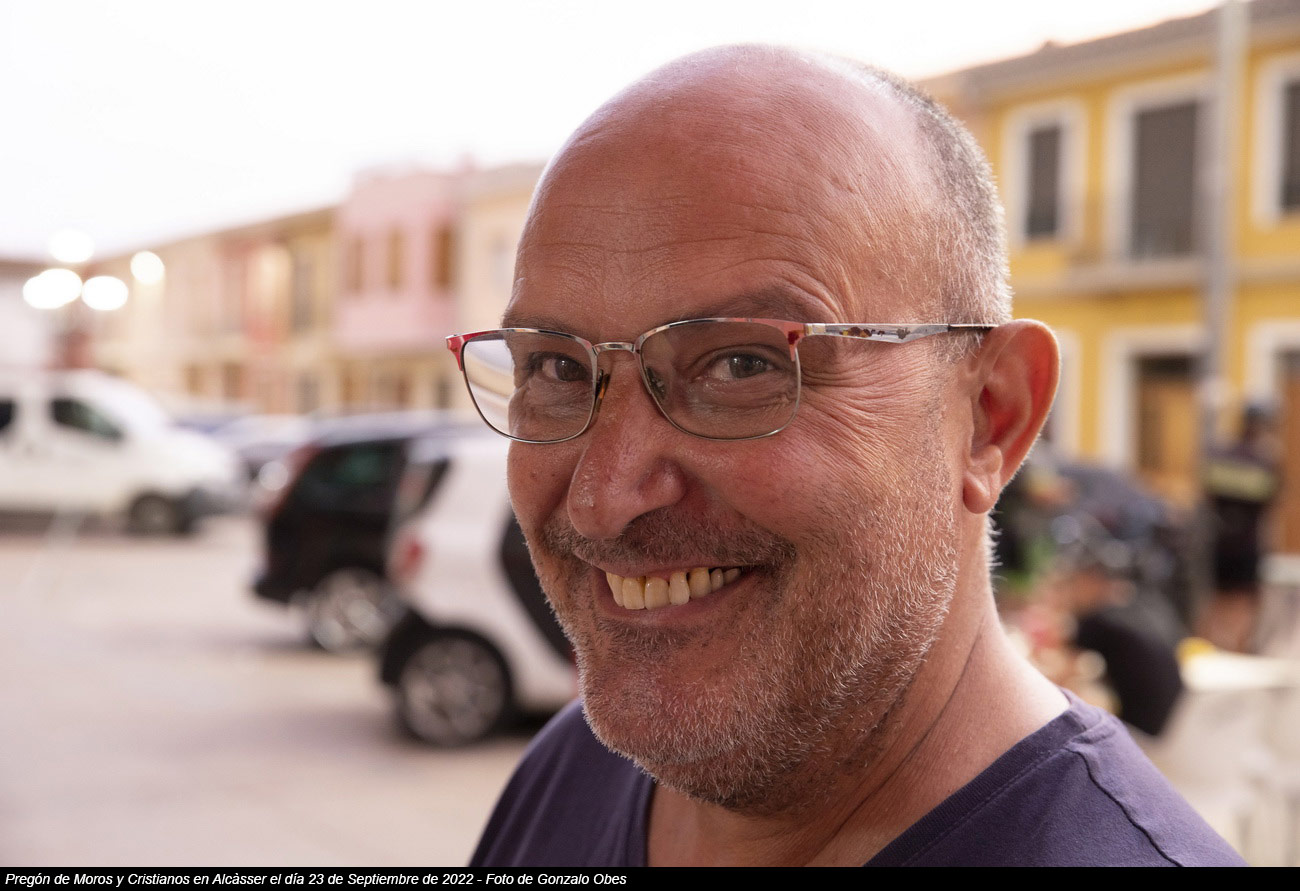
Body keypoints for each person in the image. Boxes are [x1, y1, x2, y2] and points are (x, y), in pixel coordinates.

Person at [449, 45, 1245, 866]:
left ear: (990, 417)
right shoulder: (571, 771)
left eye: (743, 364)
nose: (603, 498)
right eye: (555, 368)